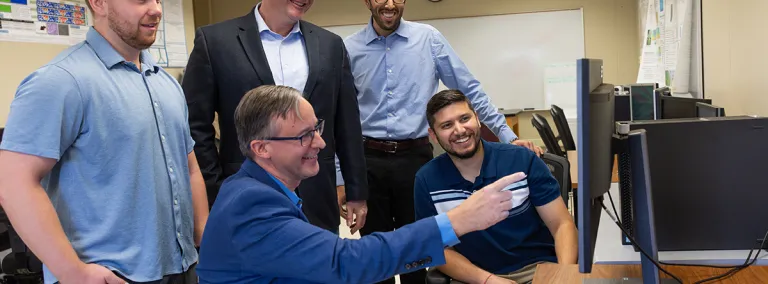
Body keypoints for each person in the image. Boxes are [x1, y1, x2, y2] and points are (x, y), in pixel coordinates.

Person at [196, 85, 528, 284]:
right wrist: (457, 220)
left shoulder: (252, 189)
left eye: (318, 129)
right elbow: (347, 262)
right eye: (304, 136)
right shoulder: (252, 204)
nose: (321, 144)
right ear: (262, 148)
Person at [0, 0, 209, 283]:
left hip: (181, 266)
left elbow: (190, 168)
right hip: (108, 275)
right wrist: (73, 272)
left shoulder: (166, 83)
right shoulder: (60, 80)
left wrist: (203, 238)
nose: (157, 9)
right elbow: (13, 183)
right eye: (141, 0)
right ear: (98, 3)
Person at [341, 0, 543, 282]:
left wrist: (508, 136)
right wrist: (343, 177)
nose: (389, 3)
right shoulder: (349, 49)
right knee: (377, 252)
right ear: (367, 1)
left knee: (420, 248)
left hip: (415, 159)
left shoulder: (428, 39)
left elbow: (469, 90)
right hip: (367, 161)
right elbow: (343, 117)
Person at [182, 0, 368, 234]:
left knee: (318, 266)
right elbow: (194, 127)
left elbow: (347, 124)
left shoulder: (331, 45)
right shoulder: (215, 42)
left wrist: (356, 191)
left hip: (316, 196)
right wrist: (217, 189)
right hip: (246, 194)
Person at [414, 90, 578, 284]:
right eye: (447, 125)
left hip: (536, 271)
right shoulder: (426, 180)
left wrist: (563, 276)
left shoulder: (522, 160)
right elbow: (437, 247)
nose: (459, 130)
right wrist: (488, 280)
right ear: (433, 134)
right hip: (474, 277)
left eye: (464, 118)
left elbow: (561, 224)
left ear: (477, 119)